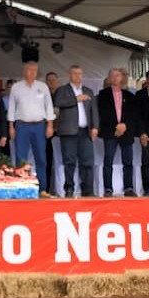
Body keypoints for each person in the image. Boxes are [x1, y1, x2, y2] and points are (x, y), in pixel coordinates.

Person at [52, 64, 99, 198]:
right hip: (68, 132)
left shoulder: (88, 91)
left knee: (87, 162)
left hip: (85, 131)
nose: (78, 76)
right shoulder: (62, 90)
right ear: (70, 75)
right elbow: (58, 103)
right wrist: (76, 99)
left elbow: (94, 110)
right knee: (69, 162)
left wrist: (95, 127)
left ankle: (88, 190)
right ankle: (69, 189)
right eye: (75, 73)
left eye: (80, 74)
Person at [8, 61, 54, 198]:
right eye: (29, 70)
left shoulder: (43, 87)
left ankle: (42, 189)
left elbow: (49, 106)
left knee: (41, 158)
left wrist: (50, 125)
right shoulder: (16, 87)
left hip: (39, 125)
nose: (32, 72)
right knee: (21, 158)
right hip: (22, 125)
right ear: (24, 71)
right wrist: (11, 126)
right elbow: (11, 107)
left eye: (35, 70)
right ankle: (21, 188)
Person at [97, 68, 138, 197]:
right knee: (108, 161)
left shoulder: (129, 96)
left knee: (128, 162)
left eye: (118, 75)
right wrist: (117, 126)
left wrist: (124, 125)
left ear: (121, 78)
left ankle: (128, 188)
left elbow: (133, 115)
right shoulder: (103, 94)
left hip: (126, 132)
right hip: (111, 132)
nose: (115, 78)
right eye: (113, 76)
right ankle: (108, 189)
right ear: (109, 79)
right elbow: (103, 113)